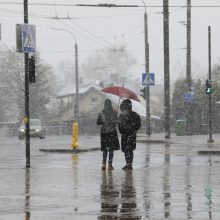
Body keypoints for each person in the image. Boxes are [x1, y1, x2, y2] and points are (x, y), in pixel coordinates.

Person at [118, 99, 141, 170]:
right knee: (130, 149)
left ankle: (128, 164)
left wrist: (123, 131)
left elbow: (119, 125)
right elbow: (138, 125)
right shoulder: (135, 114)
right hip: (132, 135)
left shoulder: (122, 115)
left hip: (125, 135)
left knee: (126, 150)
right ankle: (129, 164)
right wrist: (134, 130)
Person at [97, 99, 120, 170]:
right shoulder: (114, 112)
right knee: (111, 149)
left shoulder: (101, 112)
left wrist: (103, 122)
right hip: (112, 132)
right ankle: (110, 165)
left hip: (104, 132)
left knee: (105, 149)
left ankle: (103, 164)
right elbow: (117, 122)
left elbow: (98, 122)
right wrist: (116, 116)